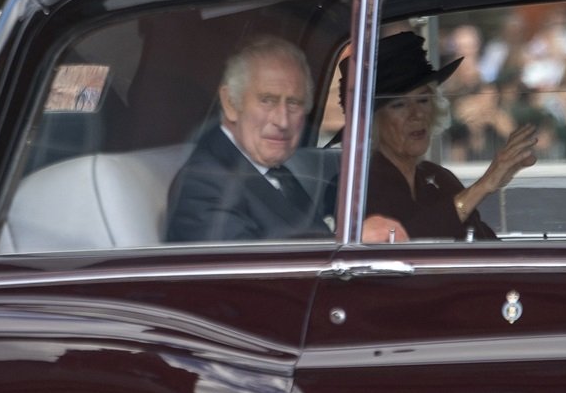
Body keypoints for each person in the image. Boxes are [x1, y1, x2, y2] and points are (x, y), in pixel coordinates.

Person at [346, 30, 537, 241]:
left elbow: (484, 242)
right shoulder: (361, 184)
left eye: (423, 100)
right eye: (399, 104)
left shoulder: (440, 178)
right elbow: (407, 240)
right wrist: (484, 185)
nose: (416, 114)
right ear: (374, 121)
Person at [164, 36, 339, 244]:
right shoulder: (204, 184)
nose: (282, 121)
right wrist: (345, 243)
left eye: (293, 103)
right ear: (230, 103)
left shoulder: (272, 170)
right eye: (267, 100)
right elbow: (239, 272)